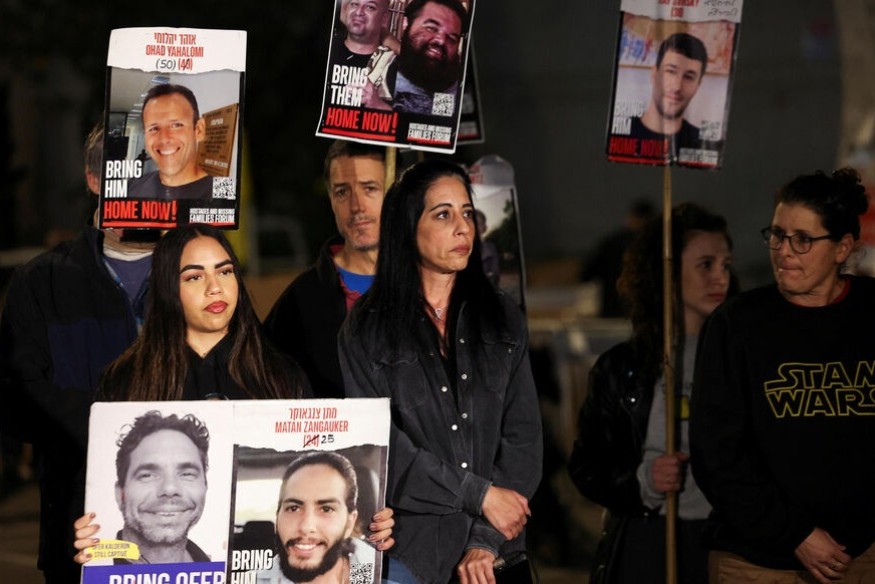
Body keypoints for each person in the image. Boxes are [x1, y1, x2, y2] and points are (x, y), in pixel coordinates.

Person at [73, 225, 395, 561]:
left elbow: (324, 479)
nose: (215, 287)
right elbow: (94, 495)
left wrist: (370, 528)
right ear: (167, 287)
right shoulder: (126, 379)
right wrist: (88, 537)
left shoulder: (279, 376)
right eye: (194, 277)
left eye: (225, 271)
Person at [338, 159, 543, 584]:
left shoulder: (503, 316)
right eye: (443, 215)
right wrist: (478, 495)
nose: (463, 228)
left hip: (499, 554)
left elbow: (523, 440)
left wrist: (485, 539)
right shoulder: (366, 330)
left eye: (467, 212)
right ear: (407, 228)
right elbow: (382, 448)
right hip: (412, 559)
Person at [691, 168, 875, 583]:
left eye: (803, 239)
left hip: (863, 555)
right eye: (777, 235)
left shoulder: (870, 313)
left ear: (843, 247)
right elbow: (717, 454)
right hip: (756, 563)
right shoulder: (737, 324)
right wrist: (795, 533)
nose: (784, 251)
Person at [0, 121, 157, 583]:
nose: (140, 184)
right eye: (126, 170)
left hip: (195, 552)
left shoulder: (208, 274)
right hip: (78, 544)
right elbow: (15, 400)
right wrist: (112, 424)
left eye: (152, 171)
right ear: (93, 179)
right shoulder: (40, 282)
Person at [568, 203, 734, 583]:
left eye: (726, 265)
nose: (720, 278)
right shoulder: (623, 366)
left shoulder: (738, 360)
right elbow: (587, 467)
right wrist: (643, 481)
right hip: (648, 538)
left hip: (725, 541)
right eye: (705, 265)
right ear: (667, 271)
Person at [265, 141, 387, 399]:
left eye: (370, 188)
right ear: (331, 200)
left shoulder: (429, 284)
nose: (357, 206)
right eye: (342, 192)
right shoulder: (301, 300)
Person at [257, 451, 374, 583]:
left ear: (349, 523)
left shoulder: (372, 569)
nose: (306, 527)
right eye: (293, 508)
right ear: (277, 517)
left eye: (326, 509)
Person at [112, 411, 211, 564]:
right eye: (147, 475)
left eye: (187, 474)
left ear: (205, 487)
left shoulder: (217, 568)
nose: (170, 489)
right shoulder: (92, 563)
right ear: (120, 494)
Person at [364, 0, 467, 116]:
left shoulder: (453, 88)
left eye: (452, 38)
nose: (441, 41)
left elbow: (438, 123)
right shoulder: (378, 65)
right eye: (431, 28)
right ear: (405, 24)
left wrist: (381, 108)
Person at [127, 84, 212, 200]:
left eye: (176, 125)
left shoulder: (225, 193)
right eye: (154, 128)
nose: (164, 139)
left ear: (199, 130)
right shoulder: (134, 185)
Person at [629, 33, 708, 155]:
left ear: (698, 85)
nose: (677, 87)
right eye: (671, 71)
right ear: (654, 74)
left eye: (688, 77)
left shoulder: (704, 145)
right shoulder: (620, 132)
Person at [579, 198, 656, 317]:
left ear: (631, 217)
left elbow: (586, 274)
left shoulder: (611, 243)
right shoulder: (657, 245)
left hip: (612, 311)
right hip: (645, 314)